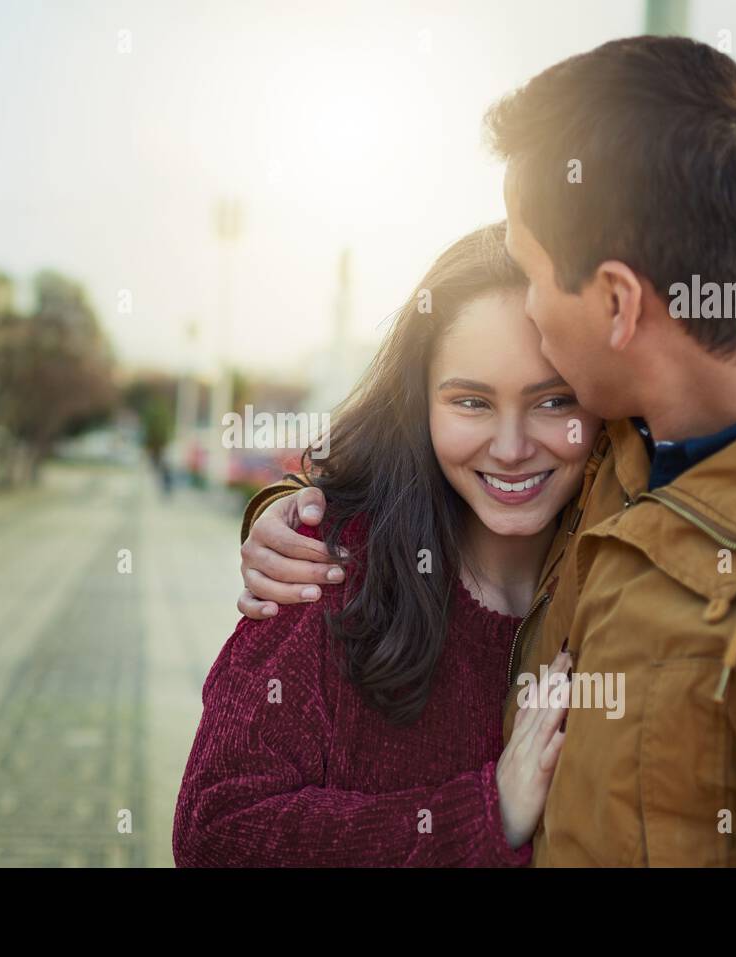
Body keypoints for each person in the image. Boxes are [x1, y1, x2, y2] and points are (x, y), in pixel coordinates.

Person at [235, 36, 736, 866]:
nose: (527, 306)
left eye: (531, 272)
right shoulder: (622, 444)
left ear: (617, 303)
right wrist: (297, 512)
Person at [172, 223, 597, 866]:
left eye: (552, 400)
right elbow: (218, 831)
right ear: (420, 403)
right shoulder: (328, 569)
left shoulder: (621, 571)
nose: (511, 448)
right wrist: (485, 816)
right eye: (472, 402)